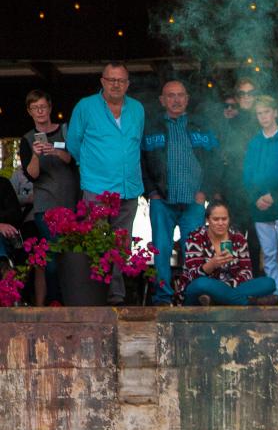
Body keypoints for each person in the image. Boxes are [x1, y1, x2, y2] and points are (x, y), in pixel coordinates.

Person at [66, 61, 144, 304]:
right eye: (111, 79)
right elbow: (73, 144)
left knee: (121, 245)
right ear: (102, 81)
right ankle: (96, 293)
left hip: (128, 188)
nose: (116, 84)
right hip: (97, 188)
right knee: (97, 243)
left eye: (121, 80)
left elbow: (136, 143)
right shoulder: (86, 107)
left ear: (128, 84)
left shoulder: (138, 109)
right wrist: (92, 168)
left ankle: (116, 295)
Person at [141, 80, 221, 306]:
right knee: (162, 251)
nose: (176, 100)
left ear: (187, 99)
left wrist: (204, 191)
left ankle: (190, 297)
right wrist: (152, 193)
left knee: (194, 254)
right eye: (170, 95)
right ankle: (163, 299)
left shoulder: (201, 126)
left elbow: (216, 161)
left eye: (180, 95)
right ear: (162, 100)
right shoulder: (151, 127)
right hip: (162, 201)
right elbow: (141, 162)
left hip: (193, 202)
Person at [19, 89, 78, 305]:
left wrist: (56, 152)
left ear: (50, 108)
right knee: (53, 256)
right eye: (35, 108)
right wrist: (36, 154)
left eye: (43, 107)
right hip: (45, 207)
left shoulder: (65, 131)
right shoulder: (26, 140)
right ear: (29, 112)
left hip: (71, 204)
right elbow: (31, 174)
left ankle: (71, 299)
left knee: (71, 255)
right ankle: (55, 301)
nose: (40, 111)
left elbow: (75, 160)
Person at [174, 199, 278, 306]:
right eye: (216, 219)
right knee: (201, 284)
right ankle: (248, 302)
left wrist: (225, 287)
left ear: (229, 220)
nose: (220, 223)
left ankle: (218, 300)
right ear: (207, 220)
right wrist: (212, 264)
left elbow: (247, 273)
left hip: (231, 286)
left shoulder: (238, 238)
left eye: (224, 219)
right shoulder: (195, 237)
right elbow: (192, 275)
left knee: (269, 283)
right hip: (202, 287)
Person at [243, 95, 278, 301]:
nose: (263, 117)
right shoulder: (254, 142)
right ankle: (277, 294)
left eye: (266, 112)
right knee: (269, 254)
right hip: (260, 207)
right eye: (259, 113)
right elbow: (247, 173)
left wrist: (275, 196)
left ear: (275, 112)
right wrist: (256, 198)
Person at [219, 78, 262, 272]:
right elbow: (219, 156)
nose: (246, 97)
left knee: (255, 240)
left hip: (257, 190)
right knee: (228, 239)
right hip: (233, 189)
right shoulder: (228, 123)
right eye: (242, 94)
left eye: (250, 93)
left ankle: (250, 282)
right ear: (237, 97)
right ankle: (228, 280)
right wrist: (218, 190)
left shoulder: (263, 119)